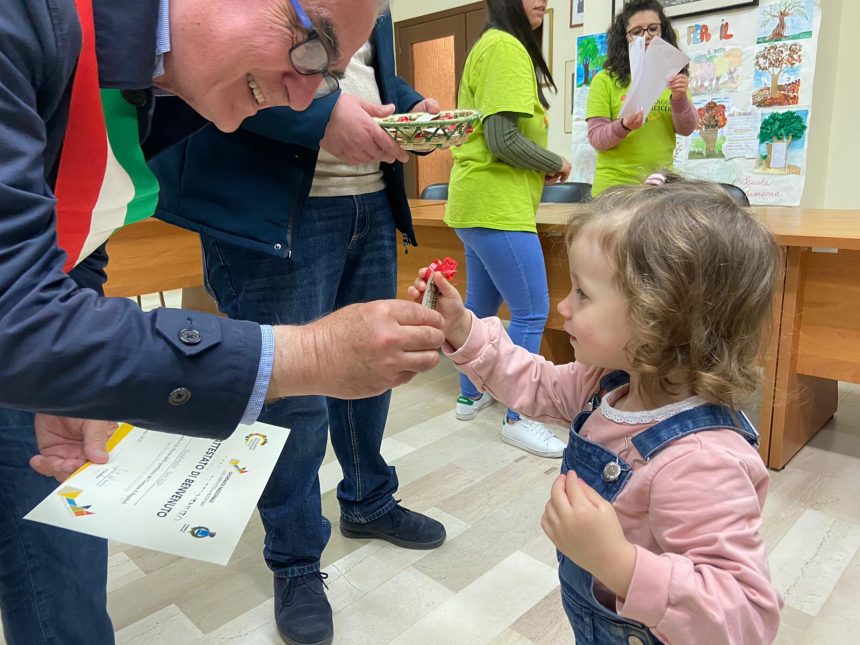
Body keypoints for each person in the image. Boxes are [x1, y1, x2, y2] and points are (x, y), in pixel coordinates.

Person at [0, 1, 445, 643]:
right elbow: (16, 315)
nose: (303, 101)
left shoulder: (149, 75)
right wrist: (306, 356)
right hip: (267, 231)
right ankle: (295, 563)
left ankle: (364, 498)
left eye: (329, 73)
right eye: (311, 45)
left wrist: (69, 364)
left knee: (65, 557)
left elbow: (74, 222)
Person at [148, 12, 445, 645]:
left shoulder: (373, 12)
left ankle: (368, 501)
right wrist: (319, 117)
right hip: (276, 214)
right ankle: (296, 561)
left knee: (375, 370)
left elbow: (364, 75)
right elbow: (213, 67)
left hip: (368, 198)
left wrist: (415, 108)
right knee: (292, 392)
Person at [410, 175, 784, 644]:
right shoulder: (608, 384)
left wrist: (620, 564)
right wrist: (462, 327)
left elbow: (746, 618)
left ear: (659, 317)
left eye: (583, 293)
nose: (562, 307)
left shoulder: (703, 461)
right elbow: (535, 383)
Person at [443, 0, 571, 458]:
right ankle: (520, 416)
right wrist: (555, 162)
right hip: (497, 206)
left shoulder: (490, 44)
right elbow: (503, 140)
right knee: (533, 311)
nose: (545, 3)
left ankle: (469, 393)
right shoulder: (507, 47)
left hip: (478, 204)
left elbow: (495, 137)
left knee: (478, 306)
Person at [586, 0, 698, 196]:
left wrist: (679, 99)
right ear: (624, 37)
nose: (646, 36)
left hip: (660, 188)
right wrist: (624, 126)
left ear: (663, 31)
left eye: (653, 29)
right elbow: (597, 139)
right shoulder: (604, 80)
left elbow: (687, 129)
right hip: (615, 189)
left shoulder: (673, 75)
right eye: (636, 32)